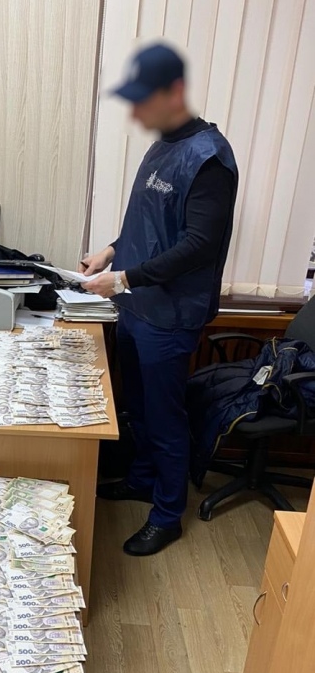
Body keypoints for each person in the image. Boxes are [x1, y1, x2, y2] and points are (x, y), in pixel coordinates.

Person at [82, 43, 238, 556]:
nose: (135, 114)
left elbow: (198, 245)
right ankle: (143, 479)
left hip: (169, 316)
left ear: (174, 93)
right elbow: (146, 224)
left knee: (167, 418)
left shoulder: (209, 159)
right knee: (139, 408)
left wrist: (125, 278)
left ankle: (168, 515)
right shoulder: (161, 148)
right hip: (137, 306)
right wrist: (110, 251)